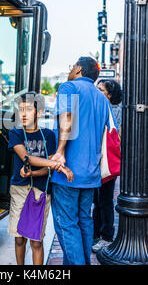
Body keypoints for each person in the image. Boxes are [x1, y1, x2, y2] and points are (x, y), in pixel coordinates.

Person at [51, 57, 112, 265]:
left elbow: (66, 117)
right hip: (91, 173)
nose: (70, 70)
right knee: (84, 221)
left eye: (72, 67)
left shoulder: (68, 87)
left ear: (78, 69)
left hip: (67, 170)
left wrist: (60, 151)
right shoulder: (103, 99)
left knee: (67, 224)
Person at [7, 92, 73, 265]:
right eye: (20, 109)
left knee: (36, 241)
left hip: (40, 192)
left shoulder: (49, 135)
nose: (23, 113)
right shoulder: (16, 133)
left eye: (28, 109)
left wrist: (34, 173)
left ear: (40, 112)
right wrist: (58, 165)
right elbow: (26, 158)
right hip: (19, 190)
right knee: (19, 238)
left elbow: (46, 169)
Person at [91, 79, 122, 252]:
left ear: (109, 95)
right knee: (98, 199)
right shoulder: (101, 108)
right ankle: (96, 233)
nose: (96, 91)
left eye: (100, 89)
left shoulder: (116, 111)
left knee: (105, 199)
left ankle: (106, 235)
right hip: (100, 160)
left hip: (108, 161)